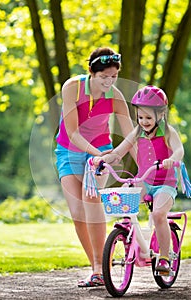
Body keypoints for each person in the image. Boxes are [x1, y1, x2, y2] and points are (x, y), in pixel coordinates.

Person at [54, 47, 135, 287]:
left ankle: (101, 268)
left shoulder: (116, 97)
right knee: (77, 213)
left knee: (91, 198)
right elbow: (73, 132)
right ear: (91, 72)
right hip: (69, 151)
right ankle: (97, 269)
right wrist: (100, 154)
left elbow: (130, 135)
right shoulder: (72, 88)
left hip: (100, 151)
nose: (109, 82)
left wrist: (147, 167)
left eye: (114, 77)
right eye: (104, 77)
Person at [93, 85, 184, 274]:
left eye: (149, 117)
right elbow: (119, 151)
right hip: (144, 180)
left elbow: (179, 150)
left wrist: (171, 160)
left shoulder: (168, 132)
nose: (144, 121)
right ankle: (130, 237)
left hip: (165, 184)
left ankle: (165, 258)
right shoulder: (137, 132)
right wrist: (104, 159)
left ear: (161, 114)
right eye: (140, 117)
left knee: (159, 214)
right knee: (126, 201)